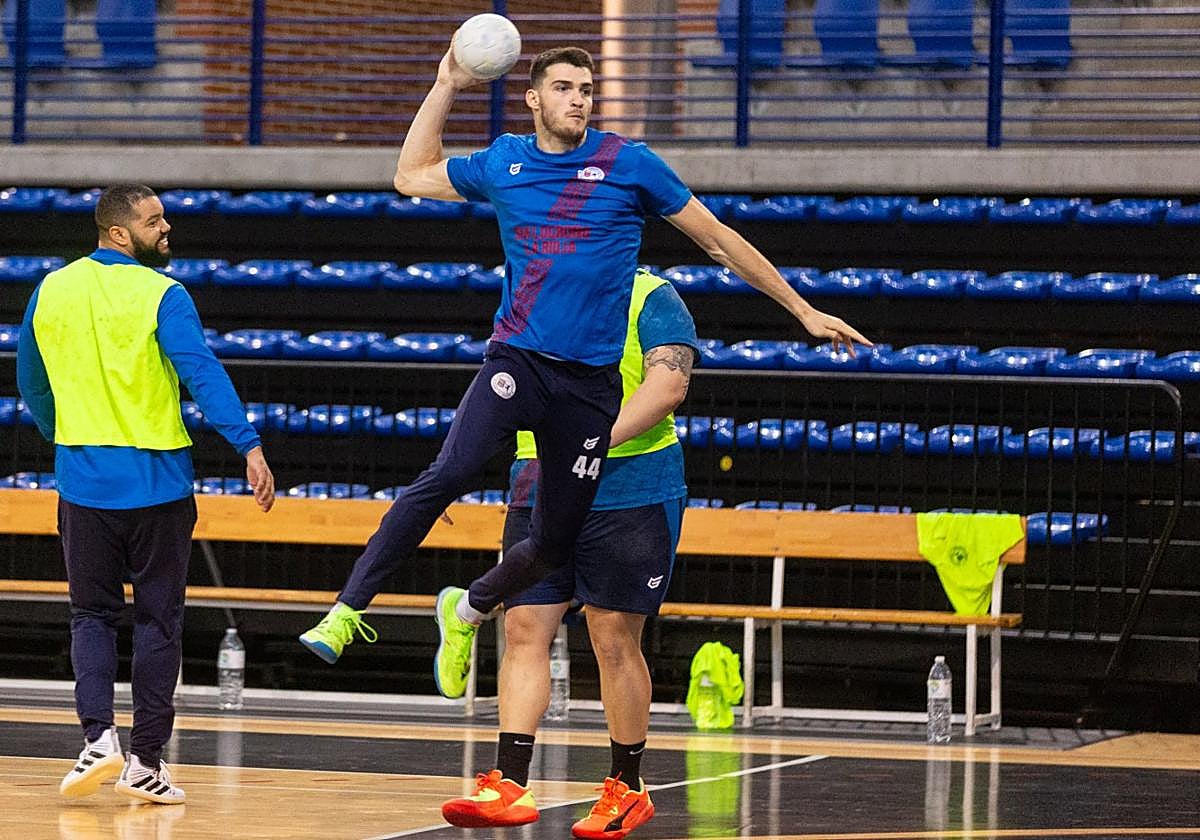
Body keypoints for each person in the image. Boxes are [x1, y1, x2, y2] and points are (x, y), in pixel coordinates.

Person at [298, 40, 869, 699]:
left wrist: (803, 310)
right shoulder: (505, 161)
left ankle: (466, 609)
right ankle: (345, 612)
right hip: (518, 361)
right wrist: (447, 82)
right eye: (564, 87)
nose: (578, 99)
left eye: (586, 89)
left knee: (550, 544)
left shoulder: (629, 164)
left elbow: (717, 239)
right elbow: (411, 175)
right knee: (449, 472)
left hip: (589, 387)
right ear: (533, 99)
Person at [18, 184, 276, 805]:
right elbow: (201, 372)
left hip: (83, 484)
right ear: (118, 233)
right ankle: (145, 762)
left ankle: (97, 739)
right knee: (159, 622)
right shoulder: (163, 293)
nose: (167, 228)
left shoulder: (51, 288)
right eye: (154, 220)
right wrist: (247, 444)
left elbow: (31, 377)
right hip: (157, 487)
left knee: (91, 616)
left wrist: (61, 434)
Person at [441, 268, 696, 839]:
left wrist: (589, 445)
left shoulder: (651, 296)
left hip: (632, 487)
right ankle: (509, 783)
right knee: (523, 627)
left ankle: (627, 787)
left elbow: (667, 387)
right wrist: (451, 472)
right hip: (540, 482)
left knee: (612, 636)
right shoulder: (533, 293)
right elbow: (498, 390)